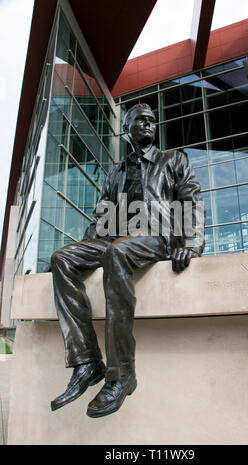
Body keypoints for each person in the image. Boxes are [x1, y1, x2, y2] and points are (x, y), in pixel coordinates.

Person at [50, 103, 205, 418]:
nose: (148, 123)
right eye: (140, 120)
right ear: (127, 129)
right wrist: (85, 246)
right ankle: (86, 362)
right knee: (62, 258)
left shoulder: (173, 160)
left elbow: (191, 198)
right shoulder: (117, 171)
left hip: (157, 237)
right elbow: (101, 217)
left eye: (152, 120)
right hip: (114, 239)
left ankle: (121, 373)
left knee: (116, 251)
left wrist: (190, 242)